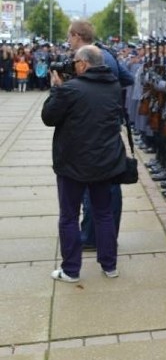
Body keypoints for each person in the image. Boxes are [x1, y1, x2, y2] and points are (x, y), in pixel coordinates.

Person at [42, 45, 125, 281]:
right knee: (103, 214)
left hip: (73, 164)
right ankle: (110, 265)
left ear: (84, 64)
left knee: (68, 216)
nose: (72, 64)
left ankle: (71, 269)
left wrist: (56, 89)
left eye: (75, 61)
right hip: (105, 161)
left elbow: (48, 117)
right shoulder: (113, 86)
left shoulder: (70, 89)